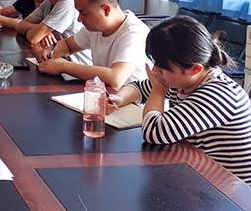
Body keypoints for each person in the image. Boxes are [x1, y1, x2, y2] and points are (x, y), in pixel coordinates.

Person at [107, 16, 251, 185]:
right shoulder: (184, 79)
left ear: (194, 69)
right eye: (155, 62)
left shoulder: (217, 94)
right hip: (198, 169)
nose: (155, 70)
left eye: (162, 67)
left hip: (231, 188)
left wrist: (158, 91)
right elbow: (139, 87)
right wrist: (119, 98)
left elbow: (155, 132)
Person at [37, 0, 151, 89]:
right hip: (106, 94)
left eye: (84, 13)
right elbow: (67, 45)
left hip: (133, 100)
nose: (79, 19)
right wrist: (52, 52)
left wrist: (63, 66)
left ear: (106, 10)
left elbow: (116, 78)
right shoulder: (95, 28)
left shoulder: (134, 33)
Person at [10, 0, 90, 64]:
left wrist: (40, 31)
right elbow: (20, 26)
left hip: (76, 69)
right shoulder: (49, 1)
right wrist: (42, 30)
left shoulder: (67, 4)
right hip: (56, 62)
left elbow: (33, 38)